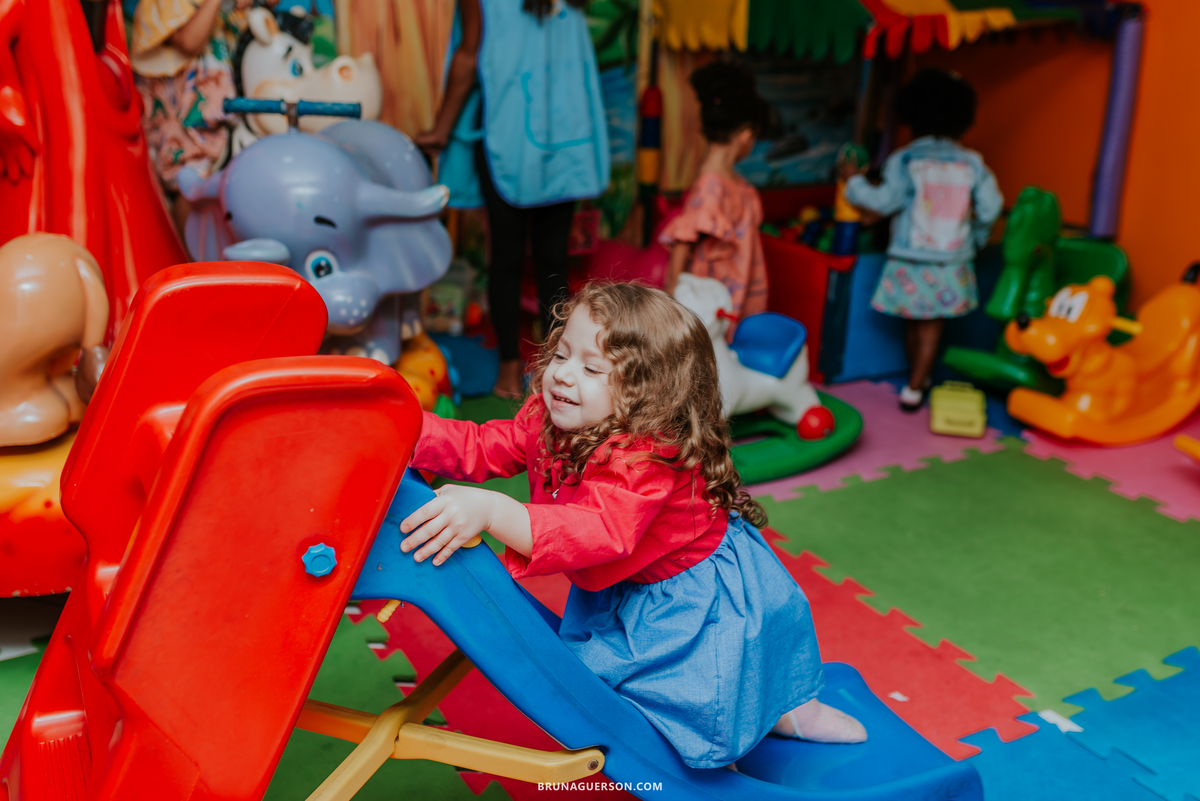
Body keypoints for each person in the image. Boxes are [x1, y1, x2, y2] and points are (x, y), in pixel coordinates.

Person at [398, 282, 866, 769]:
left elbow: (598, 529)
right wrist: (406, 428)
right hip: (626, 583)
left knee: (711, 685)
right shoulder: (554, 418)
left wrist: (494, 512)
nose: (562, 375)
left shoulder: (647, 455)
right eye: (562, 354)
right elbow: (482, 445)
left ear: (645, 393)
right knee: (632, 690)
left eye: (591, 368)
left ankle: (789, 716)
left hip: (689, 593)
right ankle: (752, 721)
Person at [416, 0, 609, 399]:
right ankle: (557, 368)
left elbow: (467, 58)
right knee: (552, 260)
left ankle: (508, 367)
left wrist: (441, 129)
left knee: (505, 258)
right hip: (565, 138)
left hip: (509, 135)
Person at [843, 69, 1003, 412]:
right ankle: (919, 381)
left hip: (910, 257)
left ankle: (915, 386)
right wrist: (976, 239)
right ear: (963, 117)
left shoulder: (905, 159)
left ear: (912, 113)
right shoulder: (972, 163)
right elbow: (991, 207)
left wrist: (853, 182)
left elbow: (884, 202)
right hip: (951, 259)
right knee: (931, 325)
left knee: (914, 320)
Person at [130, 0, 274, 234]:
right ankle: (186, 253)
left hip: (218, 114)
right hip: (183, 116)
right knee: (189, 182)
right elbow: (188, 42)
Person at [661, 61, 771, 339]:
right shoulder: (711, 186)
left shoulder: (733, 184)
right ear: (746, 136)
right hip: (712, 309)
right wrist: (671, 295)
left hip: (734, 301)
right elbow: (683, 239)